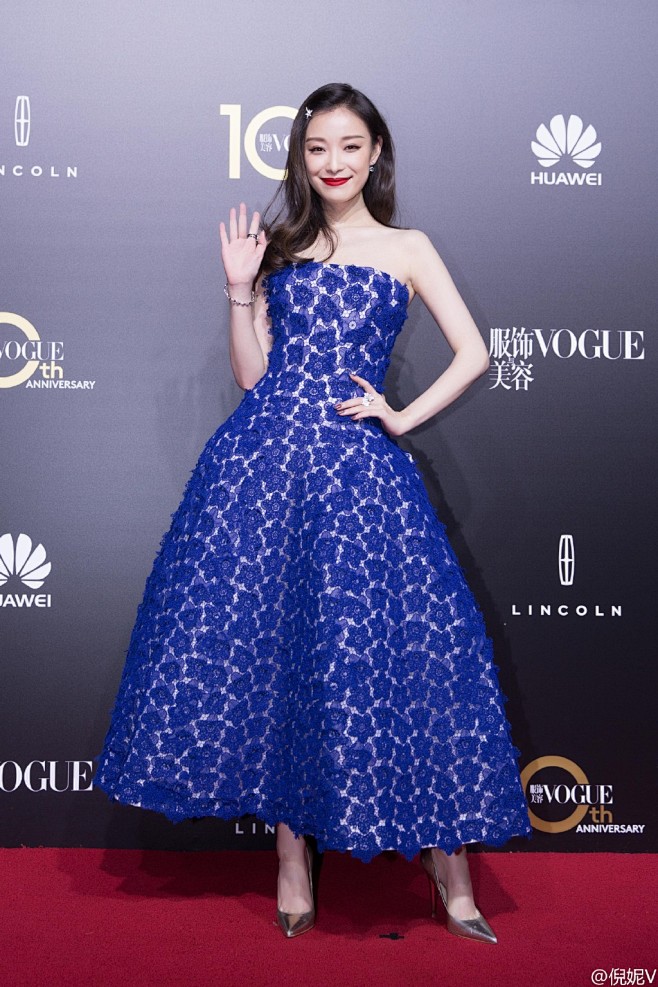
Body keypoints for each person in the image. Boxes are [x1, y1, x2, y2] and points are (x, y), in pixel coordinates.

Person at [94, 82, 532, 944]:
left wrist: (401, 416)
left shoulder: (407, 246)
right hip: (264, 471)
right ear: (301, 156)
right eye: (317, 147)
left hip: (359, 478)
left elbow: (475, 351)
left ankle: (450, 866)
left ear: (376, 153)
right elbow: (253, 376)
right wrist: (238, 287)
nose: (333, 163)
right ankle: (292, 859)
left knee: (409, 655)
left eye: (349, 146)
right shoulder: (282, 246)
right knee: (279, 655)